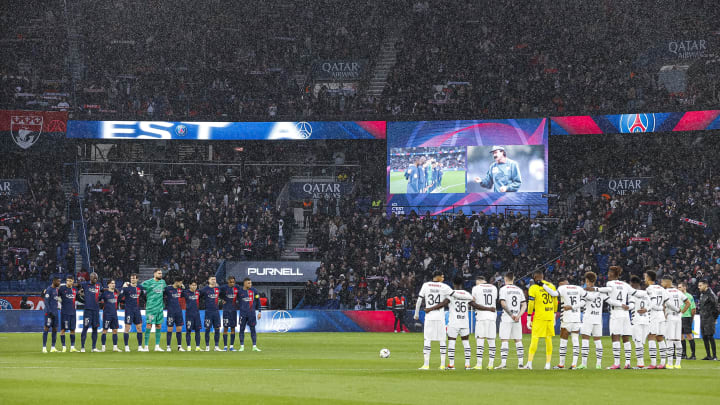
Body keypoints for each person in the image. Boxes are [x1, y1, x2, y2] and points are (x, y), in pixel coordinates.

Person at [423, 276, 473, 370]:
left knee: (451, 343)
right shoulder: (466, 294)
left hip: (454, 322)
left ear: (453, 283)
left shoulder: (451, 294)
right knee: (466, 343)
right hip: (464, 322)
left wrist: (430, 308)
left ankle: (451, 364)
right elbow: (474, 304)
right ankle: (467, 364)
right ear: (462, 283)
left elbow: (442, 304)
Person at [413, 270, 453, 370]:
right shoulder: (444, 287)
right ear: (437, 277)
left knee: (427, 339)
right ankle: (442, 364)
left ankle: (426, 364)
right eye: (442, 277)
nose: (443, 279)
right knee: (442, 340)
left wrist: (416, 314)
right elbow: (450, 299)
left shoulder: (426, 285)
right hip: (440, 316)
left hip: (429, 316)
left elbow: (419, 300)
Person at [604, 266, 636, 369]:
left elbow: (607, 299)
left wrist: (619, 304)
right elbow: (632, 297)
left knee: (615, 336)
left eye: (609, 272)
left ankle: (617, 363)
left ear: (613, 273)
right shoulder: (625, 284)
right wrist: (629, 306)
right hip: (626, 313)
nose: (608, 274)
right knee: (626, 337)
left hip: (616, 312)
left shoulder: (609, 284)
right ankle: (627, 363)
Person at [548, 278, 583, 369]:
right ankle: (574, 365)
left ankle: (561, 364)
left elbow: (553, 294)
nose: (559, 287)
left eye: (560, 285)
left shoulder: (562, 288)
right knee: (575, 341)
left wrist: (543, 285)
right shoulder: (578, 288)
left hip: (567, 318)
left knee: (563, 342)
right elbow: (584, 301)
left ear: (562, 283)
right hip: (577, 318)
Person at [525, 269, 557, 370]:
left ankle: (529, 363)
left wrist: (529, 317)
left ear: (535, 278)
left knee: (535, 338)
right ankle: (548, 364)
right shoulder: (551, 286)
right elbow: (555, 302)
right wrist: (554, 315)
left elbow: (531, 304)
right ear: (542, 277)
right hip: (550, 315)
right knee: (548, 339)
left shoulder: (533, 288)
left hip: (539, 317)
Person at [496, 272, 526, 369]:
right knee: (518, 340)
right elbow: (524, 305)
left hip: (507, 317)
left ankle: (503, 364)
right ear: (513, 279)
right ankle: (521, 364)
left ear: (505, 279)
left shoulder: (503, 289)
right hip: (517, 318)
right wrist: (518, 315)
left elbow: (503, 304)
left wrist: (511, 315)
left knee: (505, 340)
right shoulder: (519, 290)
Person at [578, 271, 608, 369]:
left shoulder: (586, 293)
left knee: (585, 340)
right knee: (598, 341)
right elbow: (609, 300)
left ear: (588, 281)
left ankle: (584, 364)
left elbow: (582, 303)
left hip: (588, 318)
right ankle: (598, 364)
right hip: (598, 319)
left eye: (586, 281)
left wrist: (572, 307)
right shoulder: (601, 292)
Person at [661, 275, 690, 369]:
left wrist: (664, 314)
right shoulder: (678, 291)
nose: (662, 283)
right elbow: (688, 303)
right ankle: (678, 364)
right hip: (678, 318)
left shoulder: (665, 292)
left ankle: (669, 363)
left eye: (663, 282)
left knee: (669, 340)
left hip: (670, 317)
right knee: (678, 340)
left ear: (667, 282)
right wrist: (681, 313)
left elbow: (664, 305)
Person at [472, 276, 498, 369]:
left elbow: (473, 302)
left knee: (480, 340)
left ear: (478, 281)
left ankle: (479, 364)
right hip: (492, 317)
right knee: (491, 341)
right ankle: (491, 364)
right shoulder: (494, 288)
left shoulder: (476, 288)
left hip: (481, 317)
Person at [644, 270, 669, 369]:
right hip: (661, 314)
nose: (644, 279)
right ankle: (663, 363)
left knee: (651, 336)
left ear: (649, 278)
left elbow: (652, 303)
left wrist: (646, 309)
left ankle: (653, 363)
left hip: (653, 314)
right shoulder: (661, 288)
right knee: (660, 338)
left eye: (645, 277)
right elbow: (667, 302)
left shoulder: (649, 289)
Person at [141, 269, 167, 351]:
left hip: (159, 308)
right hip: (151, 308)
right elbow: (139, 287)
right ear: (154, 274)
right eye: (159, 273)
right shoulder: (148, 282)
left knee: (158, 325)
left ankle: (157, 346)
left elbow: (166, 291)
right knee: (149, 325)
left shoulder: (163, 282)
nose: (160, 275)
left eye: (161, 273)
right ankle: (146, 346)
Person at [629, 275, 651, 369]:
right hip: (646, 320)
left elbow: (631, 305)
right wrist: (646, 309)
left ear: (633, 284)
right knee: (641, 342)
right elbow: (651, 305)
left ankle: (640, 363)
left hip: (636, 320)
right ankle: (641, 362)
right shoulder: (646, 294)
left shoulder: (633, 295)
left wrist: (625, 307)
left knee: (637, 342)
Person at [120, 274, 145, 352]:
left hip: (137, 310)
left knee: (139, 328)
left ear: (137, 279)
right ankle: (126, 346)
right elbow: (120, 298)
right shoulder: (127, 288)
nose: (132, 279)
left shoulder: (140, 288)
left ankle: (140, 347)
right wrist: (123, 288)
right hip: (129, 310)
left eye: (134, 278)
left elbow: (144, 297)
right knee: (127, 328)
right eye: (131, 278)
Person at [80, 272, 103, 352]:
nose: (95, 279)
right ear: (90, 278)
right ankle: (82, 347)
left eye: (96, 277)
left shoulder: (99, 285)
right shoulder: (85, 285)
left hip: (96, 310)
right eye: (94, 277)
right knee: (85, 327)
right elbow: (78, 289)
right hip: (88, 310)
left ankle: (94, 347)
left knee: (95, 328)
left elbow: (103, 292)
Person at [238, 277, 262, 352]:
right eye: (248, 283)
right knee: (241, 329)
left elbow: (258, 302)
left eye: (251, 283)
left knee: (253, 329)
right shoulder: (240, 292)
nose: (250, 284)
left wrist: (260, 312)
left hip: (252, 313)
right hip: (243, 314)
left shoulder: (254, 291)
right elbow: (235, 300)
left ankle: (254, 346)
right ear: (244, 283)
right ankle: (242, 346)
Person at [200, 276, 222, 351]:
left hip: (216, 312)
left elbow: (223, 295)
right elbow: (198, 296)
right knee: (207, 329)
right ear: (209, 280)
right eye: (212, 279)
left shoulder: (218, 289)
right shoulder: (205, 289)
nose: (213, 280)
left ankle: (216, 346)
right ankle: (207, 347)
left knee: (217, 329)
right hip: (208, 312)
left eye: (215, 279)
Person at [697, 279, 718, 360]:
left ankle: (714, 356)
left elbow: (716, 308)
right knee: (705, 336)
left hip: (709, 318)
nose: (699, 287)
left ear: (706, 285)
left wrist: (714, 318)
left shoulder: (711, 295)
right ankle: (708, 355)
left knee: (710, 336)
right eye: (698, 286)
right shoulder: (702, 294)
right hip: (703, 318)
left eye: (700, 285)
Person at [57, 275, 78, 352]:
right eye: (67, 280)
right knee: (63, 330)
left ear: (73, 281)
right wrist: (59, 302)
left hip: (73, 313)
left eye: (70, 280)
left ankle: (72, 347)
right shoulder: (62, 289)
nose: (68, 282)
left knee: (73, 330)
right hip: (65, 313)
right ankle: (64, 347)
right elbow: (56, 296)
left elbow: (78, 298)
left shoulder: (74, 290)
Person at [99, 280, 121, 352]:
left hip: (114, 314)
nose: (113, 285)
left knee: (115, 330)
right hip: (107, 314)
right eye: (111, 283)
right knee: (105, 330)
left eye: (114, 283)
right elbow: (98, 300)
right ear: (108, 285)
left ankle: (115, 347)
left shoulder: (116, 293)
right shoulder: (105, 294)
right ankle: (103, 347)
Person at [164, 277, 185, 351]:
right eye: (180, 282)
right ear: (176, 282)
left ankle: (179, 346)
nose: (181, 284)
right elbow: (162, 295)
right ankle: (168, 347)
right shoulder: (168, 289)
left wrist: (184, 288)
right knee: (170, 328)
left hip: (179, 311)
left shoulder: (181, 290)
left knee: (179, 329)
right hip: (171, 311)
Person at [220, 276, 240, 351]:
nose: (232, 283)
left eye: (233, 282)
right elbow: (218, 293)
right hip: (226, 311)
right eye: (231, 282)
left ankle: (231, 346)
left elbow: (241, 295)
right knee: (225, 328)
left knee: (233, 328)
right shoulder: (224, 288)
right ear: (228, 281)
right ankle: (225, 346)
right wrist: (222, 300)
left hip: (234, 311)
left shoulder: (237, 288)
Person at [42, 277, 61, 353]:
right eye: (58, 281)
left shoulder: (56, 290)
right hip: (49, 313)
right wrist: (50, 312)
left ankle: (53, 347)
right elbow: (46, 302)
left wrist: (55, 312)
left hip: (55, 313)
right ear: (54, 281)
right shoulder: (49, 289)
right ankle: (44, 347)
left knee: (55, 329)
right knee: (46, 328)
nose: (59, 283)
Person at [678, 281, 696, 360]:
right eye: (678, 287)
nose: (678, 288)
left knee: (689, 335)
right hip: (680, 318)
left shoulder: (689, 296)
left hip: (686, 317)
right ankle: (683, 354)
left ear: (684, 287)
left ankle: (693, 355)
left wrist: (691, 318)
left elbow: (693, 309)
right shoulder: (678, 296)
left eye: (680, 287)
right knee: (681, 336)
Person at [182, 281, 202, 351]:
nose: (194, 287)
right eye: (192, 285)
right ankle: (188, 347)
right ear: (189, 285)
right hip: (189, 314)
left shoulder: (198, 292)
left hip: (197, 314)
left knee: (198, 330)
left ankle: (197, 347)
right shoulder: (185, 292)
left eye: (195, 285)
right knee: (188, 331)